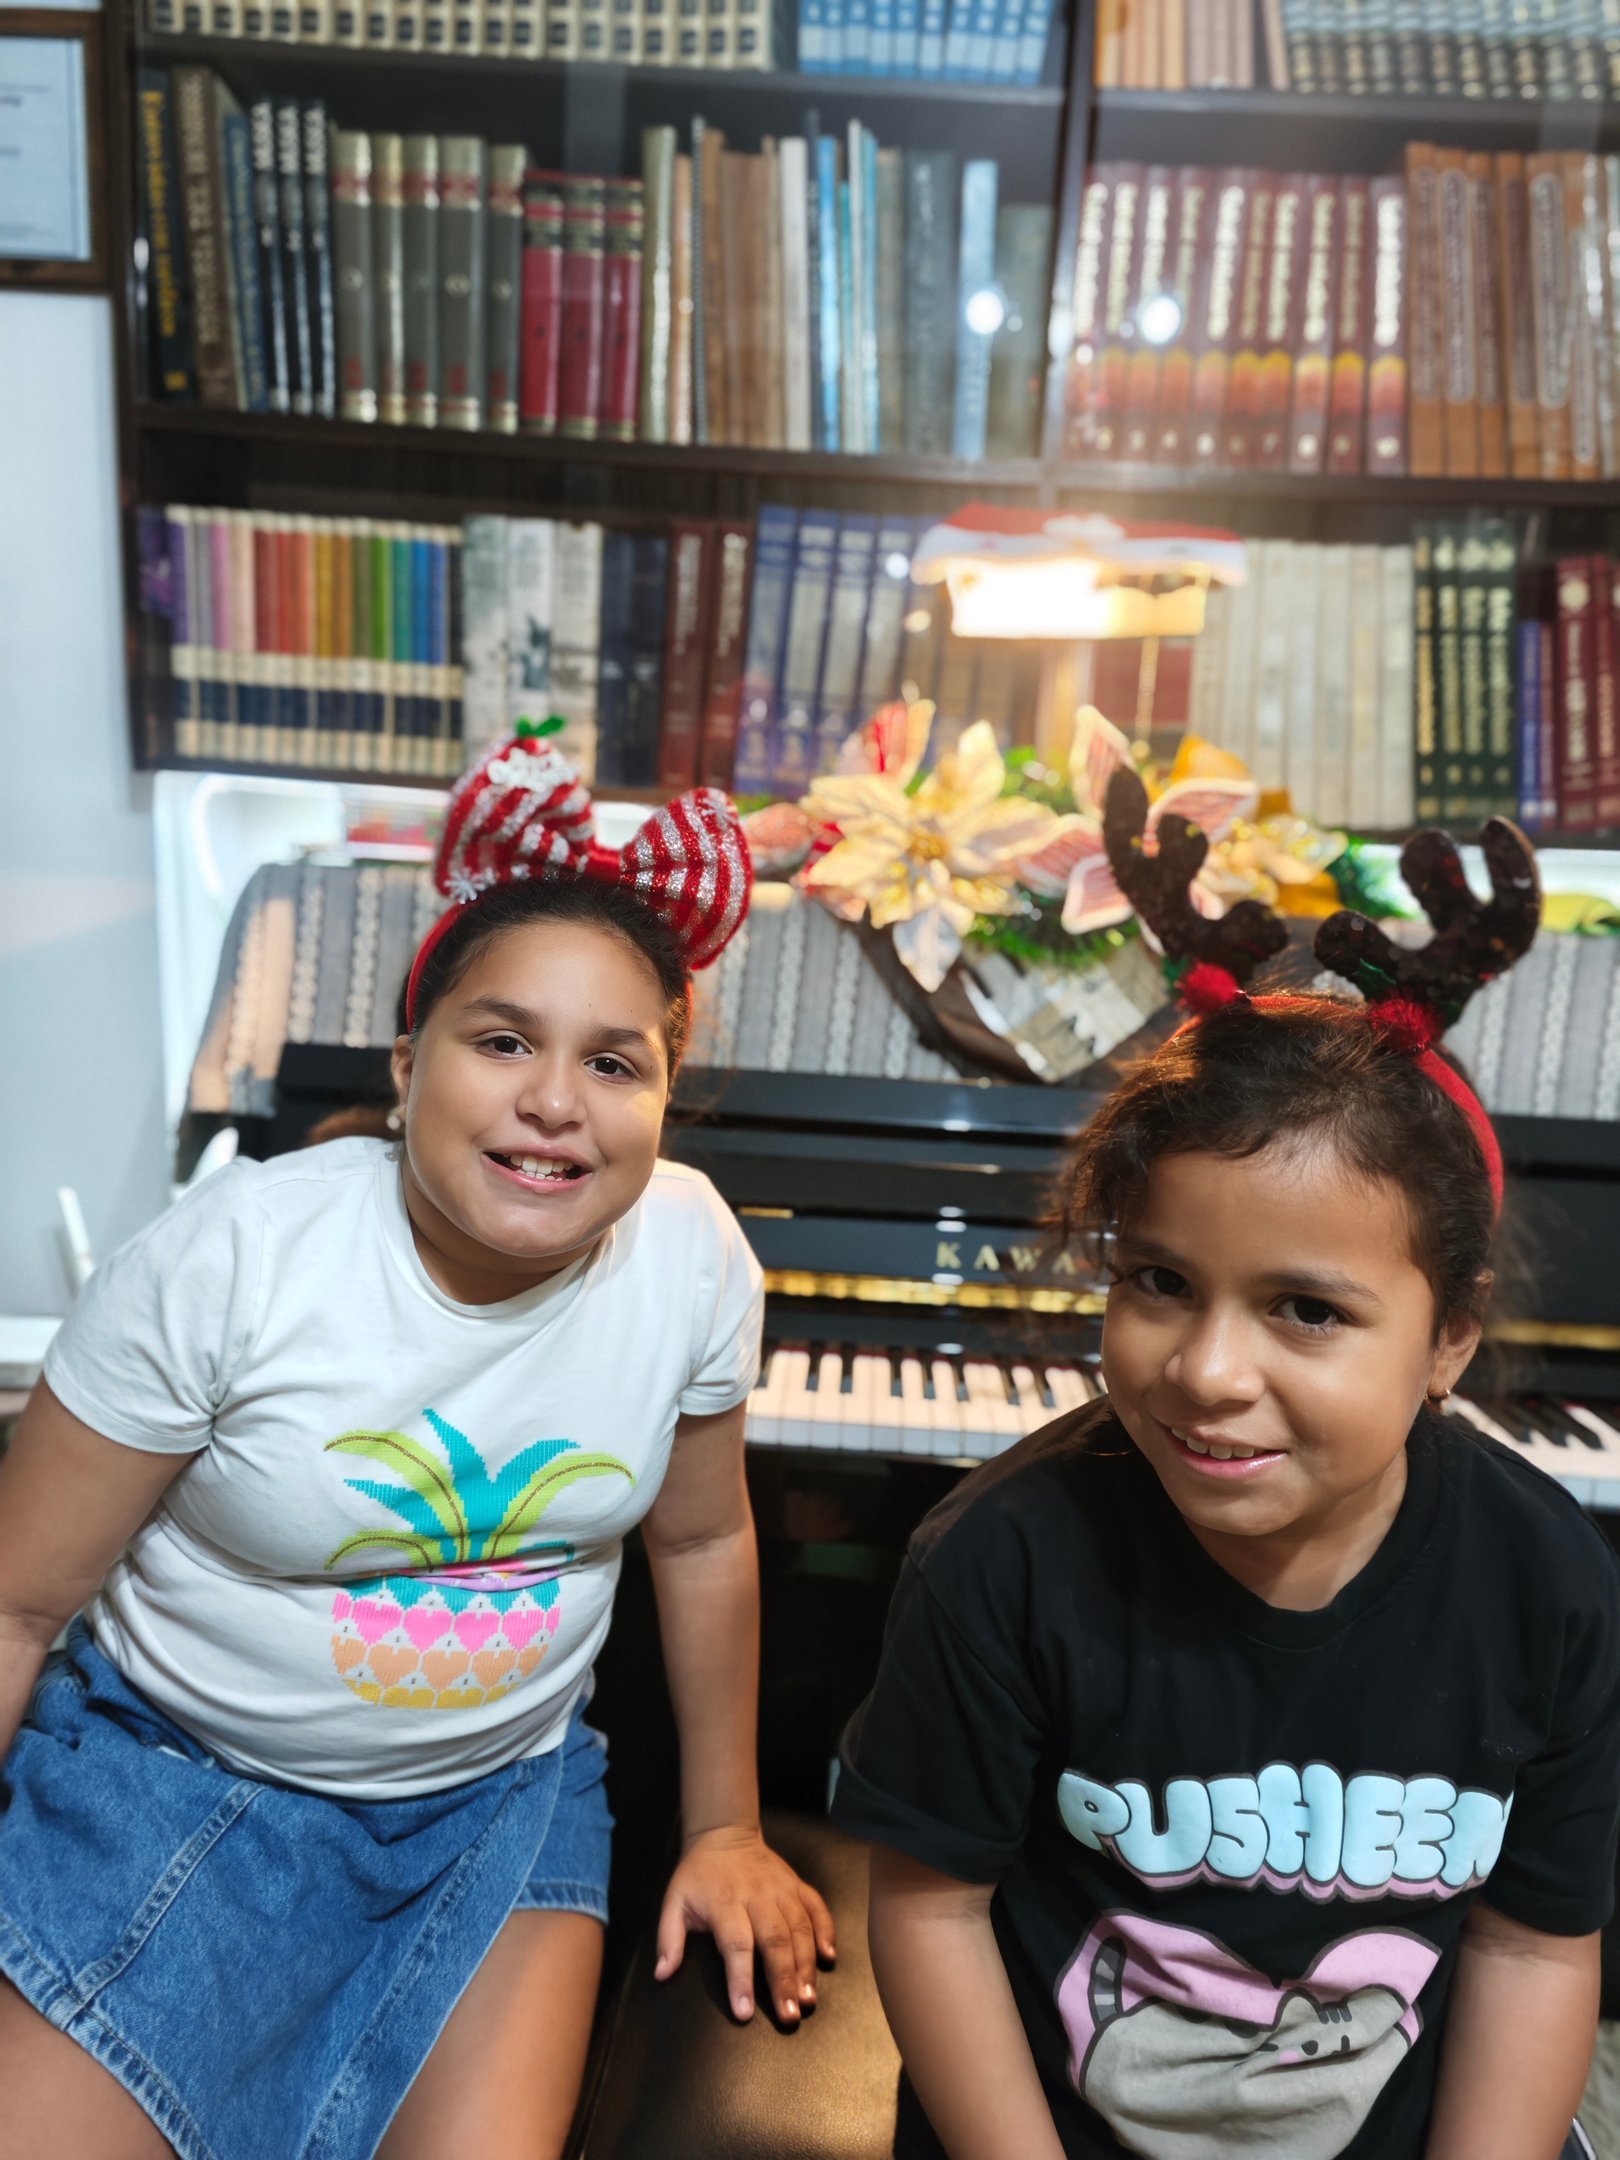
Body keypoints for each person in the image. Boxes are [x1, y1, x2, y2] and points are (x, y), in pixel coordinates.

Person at [0, 732, 833, 2160]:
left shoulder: (691, 1250)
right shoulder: (232, 1258)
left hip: (495, 1811)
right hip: (172, 1783)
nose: (556, 1101)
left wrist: (728, 1828)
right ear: (408, 1065)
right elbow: (16, 1602)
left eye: (613, 1062)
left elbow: (702, 1541)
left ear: (662, 1097)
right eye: (503, 1039)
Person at [831, 776, 1620, 2160]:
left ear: (1452, 1338)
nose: (1205, 1371)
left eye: (1306, 1310)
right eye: (1157, 1281)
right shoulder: (1000, 1560)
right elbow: (933, 1909)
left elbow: (1535, 1949)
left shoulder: (1549, 1585)